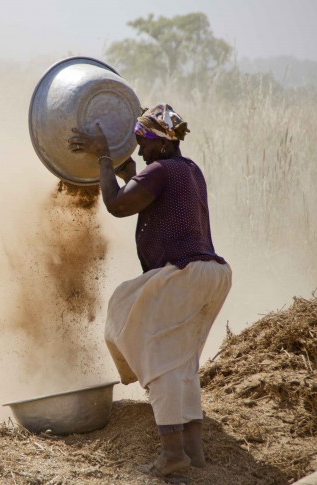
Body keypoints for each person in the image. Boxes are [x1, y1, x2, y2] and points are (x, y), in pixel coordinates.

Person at [68, 104, 232, 480]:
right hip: (214, 273)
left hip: (185, 273)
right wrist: (124, 169)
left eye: (142, 142)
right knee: (182, 363)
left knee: (158, 355)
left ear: (158, 143)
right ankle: (193, 450)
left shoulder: (160, 170)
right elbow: (141, 185)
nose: (140, 151)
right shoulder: (187, 169)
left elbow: (118, 203)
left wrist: (104, 158)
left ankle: (172, 454)